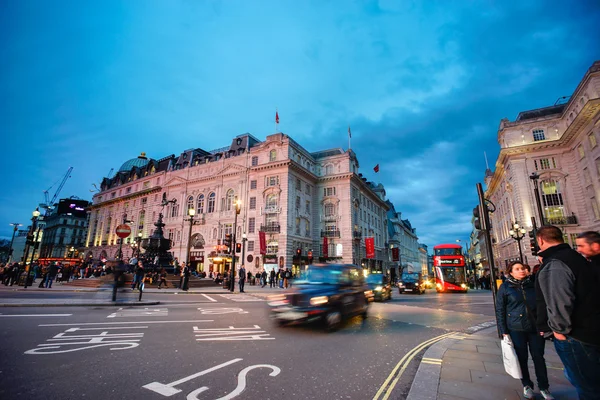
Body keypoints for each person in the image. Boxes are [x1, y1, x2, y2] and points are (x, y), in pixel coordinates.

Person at [535, 225, 600, 399]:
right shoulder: (577, 258)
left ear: (540, 240)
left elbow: (559, 301)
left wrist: (559, 331)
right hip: (590, 329)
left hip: (576, 334)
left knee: (587, 387)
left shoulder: (556, 263)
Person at [496, 261, 553, 399]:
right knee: (522, 358)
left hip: (535, 328)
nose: (522, 271)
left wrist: (544, 326)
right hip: (516, 329)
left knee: (539, 357)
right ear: (511, 272)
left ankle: (544, 387)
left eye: (523, 268)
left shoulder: (534, 285)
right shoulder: (505, 287)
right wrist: (503, 331)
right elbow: (500, 310)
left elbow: (542, 306)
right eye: (517, 269)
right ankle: (526, 385)